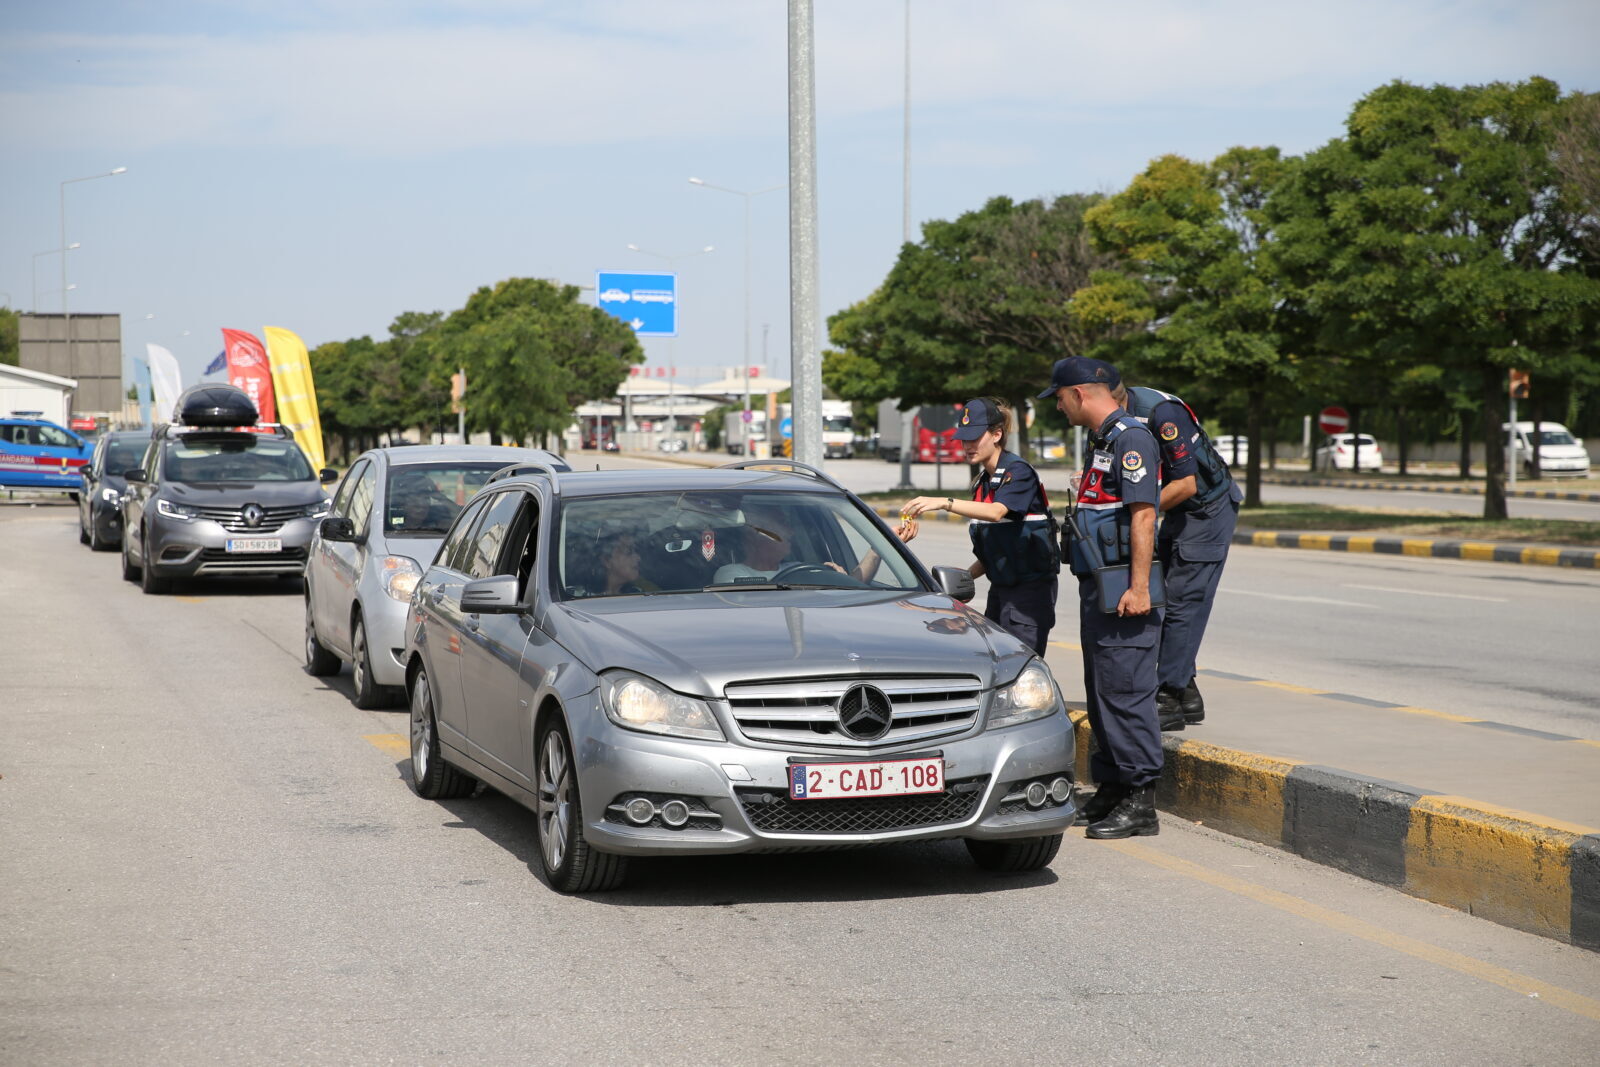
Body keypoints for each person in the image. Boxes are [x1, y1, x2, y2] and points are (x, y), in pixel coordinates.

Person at [1042, 357, 1163, 839]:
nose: (1057, 405)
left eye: (1059, 396)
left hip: (1123, 591)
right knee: (1104, 692)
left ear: (1080, 392)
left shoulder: (1132, 437)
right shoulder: (1105, 440)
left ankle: (1141, 801)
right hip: (1100, 587)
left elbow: (1144, 517)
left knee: (1127, 694)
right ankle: (1113, 788)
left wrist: (1138, 588)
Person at [1113, 382, 1243, 730]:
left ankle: (1167, 696)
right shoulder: (1114, 420)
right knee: (1167, 600)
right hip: (1181, 511)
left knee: (1182, 604)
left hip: (1207, 510)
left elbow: (1186, 484)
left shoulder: (1160, 414)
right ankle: (1185, 690)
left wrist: (1139, 511)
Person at [900, 398, 1058, 656]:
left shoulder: (1017, 472)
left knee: (1019, 666)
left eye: (975, 437)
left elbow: (997, 513)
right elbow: (997, 549)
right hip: (1001, 590)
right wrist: (956, 582)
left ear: (997, 435)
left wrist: (944, 502)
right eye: (964, 439)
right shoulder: (983, 482)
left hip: (1028, 594)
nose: (968, 445)